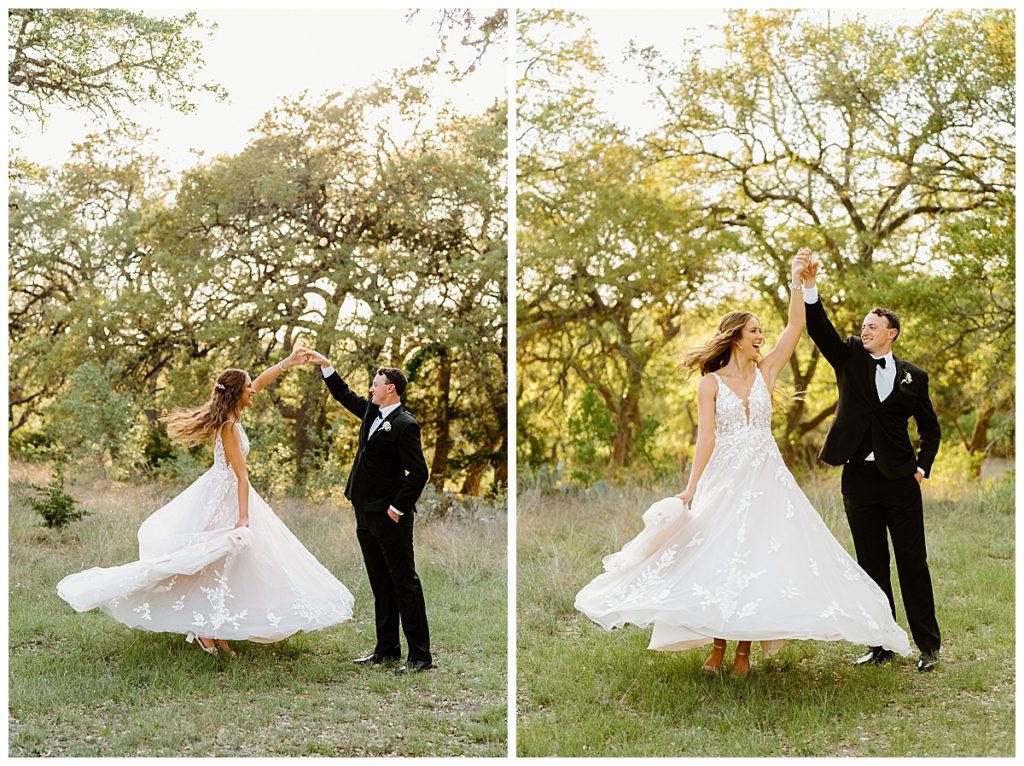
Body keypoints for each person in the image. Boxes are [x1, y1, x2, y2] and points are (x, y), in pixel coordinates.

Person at [575, 250, 911, 678]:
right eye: (754, 331)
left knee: (757, 561)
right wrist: (692, 489)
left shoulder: (766, 372)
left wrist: (797, 279)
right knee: (722, 560)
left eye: (760, 332)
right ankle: (717, 646)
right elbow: (706, 439)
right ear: (735, 336)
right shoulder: (710, 384)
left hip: (767, 480)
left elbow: (795, 326)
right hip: (725, 480)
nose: (760, 337)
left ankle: (744, 653)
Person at [57, 350, 355, 656]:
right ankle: (205, 629)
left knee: (226, 563)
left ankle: (216, 628)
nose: (254, 390)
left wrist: (288, 363)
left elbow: (260, 384)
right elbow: (241, 475)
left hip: (224, 492)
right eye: (248, 387)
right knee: (211, 560)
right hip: (224, 498)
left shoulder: (233, 415)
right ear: (238, 393)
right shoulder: (229, 426)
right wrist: (244, 518)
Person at [801, 260, 942, 672]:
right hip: (858, 480)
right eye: (863, 326)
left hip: (901, 481)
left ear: (891, 333)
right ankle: (880, 645)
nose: (865, 330)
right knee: (871, 564)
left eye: (872, 326)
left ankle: (928, 648)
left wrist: (922, 467)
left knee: (913, 563)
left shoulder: (914, 377)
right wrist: (810, 288)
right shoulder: (848, 358)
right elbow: (819, 329)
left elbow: (931, 430)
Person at [302, 350, 433, 674]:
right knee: (380, 584)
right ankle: (386, 650)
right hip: (364, 512)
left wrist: (396, 508)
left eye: (376, 384)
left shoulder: (405, 425)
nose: (371, 389)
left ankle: (420, 656)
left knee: (405, 583)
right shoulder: (371, 413)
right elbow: (344, 395)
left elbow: (419, 473)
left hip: (391, 517)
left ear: (391, 388)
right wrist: (325, 365)